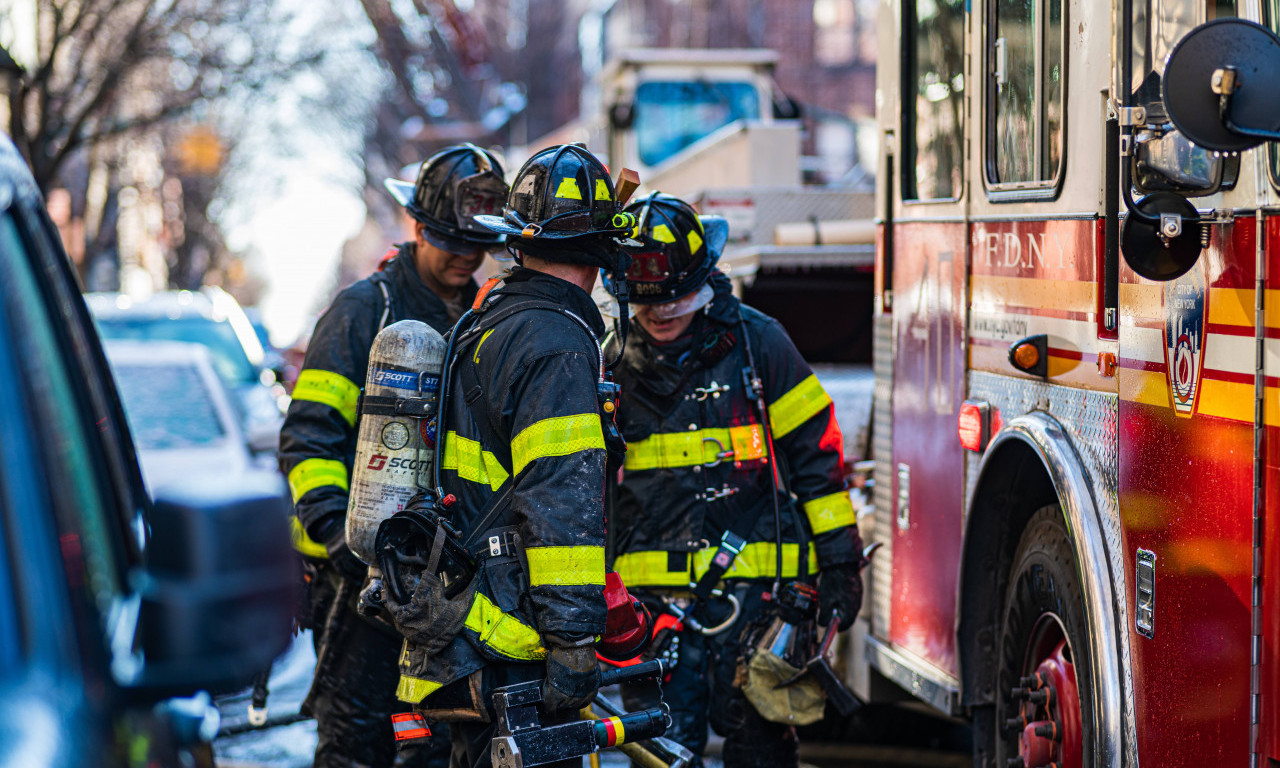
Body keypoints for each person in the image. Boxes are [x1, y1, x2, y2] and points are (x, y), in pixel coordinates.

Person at [383, 144, 635, 768]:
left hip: (469, 625)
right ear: (602, 252)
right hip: (517, 644)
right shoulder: (558, 344)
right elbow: (559, 501)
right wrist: (575, 642)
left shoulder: (489, 318)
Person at [603, 193, 865, 768]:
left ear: (703, 281)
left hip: (761, 604)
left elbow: (816, 458)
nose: (661, 314)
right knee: (656, 755)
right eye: (646, 305)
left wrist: (841, 560)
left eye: (674, 299)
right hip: (650, 613)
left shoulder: (760, 342)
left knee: (762, 753)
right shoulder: (610, 363)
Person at [278, 143, 509, 768]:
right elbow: (308, 437)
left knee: (439, 746)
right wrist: (340, 539)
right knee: (358, 741)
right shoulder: (364, 312)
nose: (465, 256)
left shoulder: (487, 320)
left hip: (449, 581)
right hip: (361, 583)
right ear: (417, 226)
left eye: (477, 244)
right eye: (449, 240)